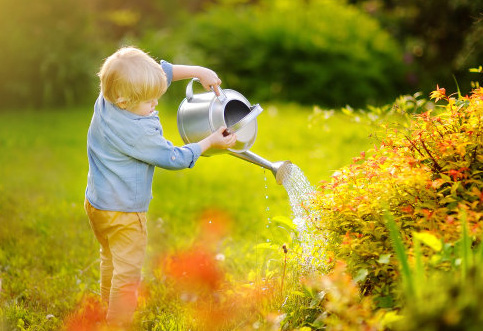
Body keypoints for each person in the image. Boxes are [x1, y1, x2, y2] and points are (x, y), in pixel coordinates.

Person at [84, 46, 236, 328]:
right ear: (124, 99)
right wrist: (209, 142)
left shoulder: (108, 99)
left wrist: (198, 72)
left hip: (97, 205)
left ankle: (106, 309)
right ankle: (117, 325)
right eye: (149, 101)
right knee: (128, 276)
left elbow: (159, 74)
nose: (155, 103)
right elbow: (173, 157)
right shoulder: (138, 133)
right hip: (125, 214)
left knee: (110, 258)